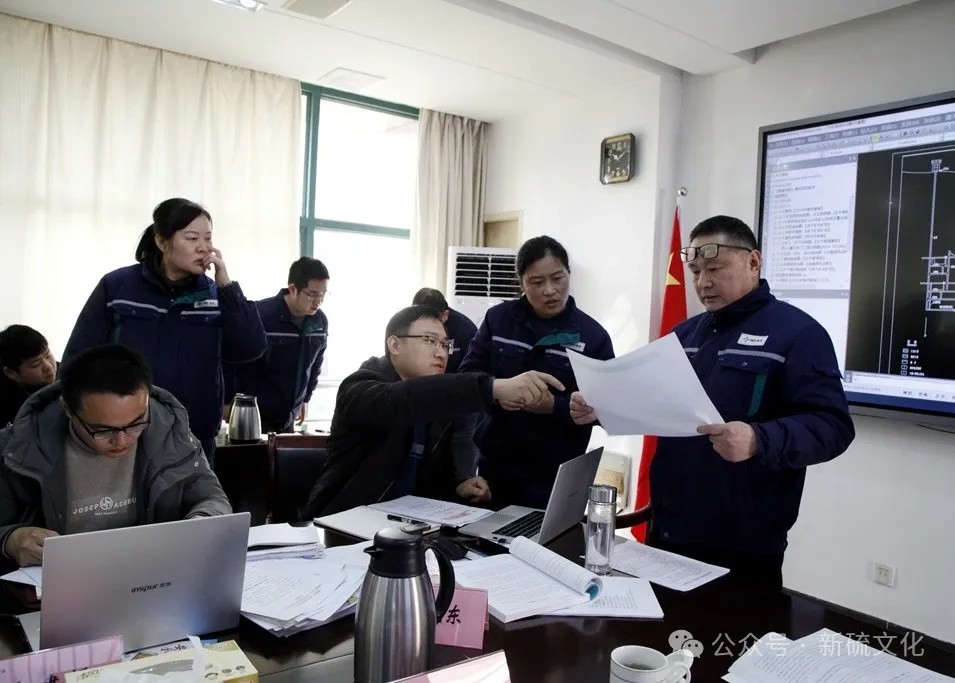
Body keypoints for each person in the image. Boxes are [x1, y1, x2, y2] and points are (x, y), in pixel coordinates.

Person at [571, 215, 855, 590]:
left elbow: (833, 427)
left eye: (715, 268)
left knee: (732, 629)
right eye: (695, 272)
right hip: (668, 532)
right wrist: (601, 407)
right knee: (663, 627)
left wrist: (758, 439)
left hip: (743, 547)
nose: (703, 283)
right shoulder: (684, 335)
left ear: (753, 262)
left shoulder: (799, 334)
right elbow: (650, 404)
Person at [302, 305, 564, 517]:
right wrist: (491, 387)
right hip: (340, 525)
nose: (441, 353)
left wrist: (457, 486)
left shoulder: (436, 407)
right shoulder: (359, 388)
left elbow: (426, 481)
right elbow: (402, 401)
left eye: (445, 344)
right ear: (395, 345)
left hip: (406, 530)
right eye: (430, 340)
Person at [62, 198, 266, 465]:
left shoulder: (217, 296)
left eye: (208, 238)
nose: (204, 247)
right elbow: (79, 357)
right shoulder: (118, 287)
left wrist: (227, 286)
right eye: (192, 238)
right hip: (124, 435)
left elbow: (250, 348)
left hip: (192, 436)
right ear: (161, 241)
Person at [0, 344, 231, 567]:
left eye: (136, 424)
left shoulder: (171, 433)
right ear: (68, 409)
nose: (122, 441)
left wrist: (201, 524)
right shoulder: (20, 447)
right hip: (62, 581)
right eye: (103, 430)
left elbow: (212, 498)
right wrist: (11, 539)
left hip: (153, 574)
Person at [459, 236, 615, 509]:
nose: (550, 290)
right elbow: (468, 378)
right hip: (494, 467)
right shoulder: (498, 320)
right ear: (521, 283)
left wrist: (555, 406)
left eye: (558, 278)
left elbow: (609, 410)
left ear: (569, 274)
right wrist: (499, 391)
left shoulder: (592, 337)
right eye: (537, 282)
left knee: (547, 537)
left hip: (555, 474)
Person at [225, 257, 330, 433]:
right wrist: (228, 400)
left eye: (323, 294)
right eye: (312, 294)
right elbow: (231, 358)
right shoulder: (260, 315)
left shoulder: (319, 321)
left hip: (289, 414)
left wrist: (305, 399)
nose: (318, 301)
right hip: (254, 413)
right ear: (293, 289)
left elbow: (315, 363)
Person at [0, 325, 57, 427]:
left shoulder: (72, 373)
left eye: (48, 356)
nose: (48, 366)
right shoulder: (6, 407)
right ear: (11, 373)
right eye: (36, 364)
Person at [411, 288, 477, 374]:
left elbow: (471, 372)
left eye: (433, 320)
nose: (426, 326)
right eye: (421, 320)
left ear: (445, 315)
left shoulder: (466, 331)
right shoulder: (409, 323)